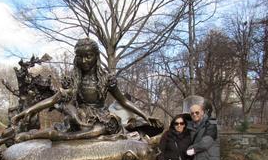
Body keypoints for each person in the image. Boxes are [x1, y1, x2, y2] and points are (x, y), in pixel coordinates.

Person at [9, 38, 159, 142]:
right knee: (75, 121)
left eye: (88, 56)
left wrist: (145, 116)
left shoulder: (107, 79)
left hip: (101, 118)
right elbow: (54, 99)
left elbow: (124, 101)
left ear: (96, 56)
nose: (84, 61)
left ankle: (33, 136)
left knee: (95, 131)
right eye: (80, 57)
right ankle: (35, 135)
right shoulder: (73, 79)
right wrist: (27, 112)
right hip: (79, 115)